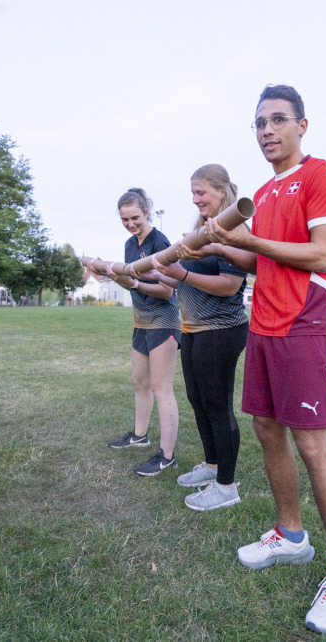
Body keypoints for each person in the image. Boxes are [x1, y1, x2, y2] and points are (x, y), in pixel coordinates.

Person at [203, 85, 326, 634]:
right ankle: (290, 534)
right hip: (264, 323)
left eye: (278, 120)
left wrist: (249, 243)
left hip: (305, 323)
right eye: (260, 123)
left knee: (312, 445)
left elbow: (321, 254)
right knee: (267, 429)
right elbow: (263, 263)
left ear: (302, 125)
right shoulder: (263, 191)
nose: (268, 130)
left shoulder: (323, 175)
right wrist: (222, 246)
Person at [147, 164, 249, 511]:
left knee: (217, 405)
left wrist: (183, 275)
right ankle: (212, 465)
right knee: (198, 400)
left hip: (221, 330)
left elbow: (230, 285)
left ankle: (226, 486)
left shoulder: (233, 229)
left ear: (221, 191)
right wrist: (159, 275)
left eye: (201, 192)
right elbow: (183, 278)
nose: (195, 199)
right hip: (192, 329)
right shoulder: (201, 230)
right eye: (193, 193)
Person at [101, 188, 181, 476]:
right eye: (125, 219)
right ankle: (139, 435)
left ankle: (167, 456)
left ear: (147, 212)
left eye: (135, 217)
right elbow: (131, 279)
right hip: (140, 322)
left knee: (161, 388)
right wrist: (120, 278)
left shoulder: (160, 242)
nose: (130, 223)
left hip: (164, 322)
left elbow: (167, 290)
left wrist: (132, 284)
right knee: (139, 383)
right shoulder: (129, 244)